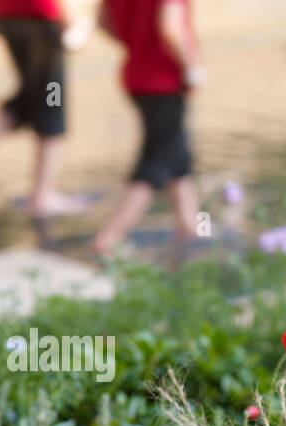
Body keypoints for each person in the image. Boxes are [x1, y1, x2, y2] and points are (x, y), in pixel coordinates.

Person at [0, 0, 92, 217]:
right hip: (41, 14)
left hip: (6, 14)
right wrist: (70, 19)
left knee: (31, 92)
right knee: (52, 96)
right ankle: (43, 195)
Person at [92, 0, 204, 257]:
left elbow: (102, 22)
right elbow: (170, 27)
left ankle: (189, 223)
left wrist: (136, 42)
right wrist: (192, 68)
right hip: (163, 79)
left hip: (136, 75)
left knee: (175, 148)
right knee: (157, 159)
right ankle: (110, 237)